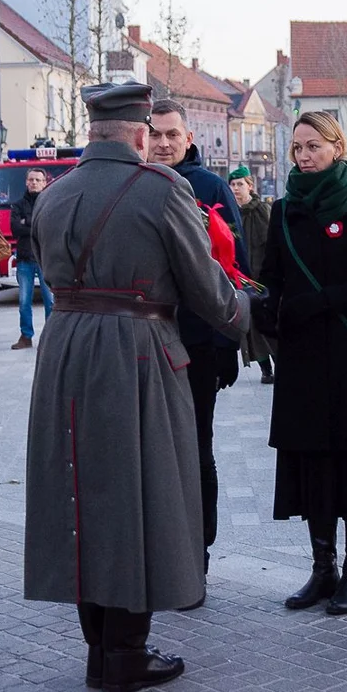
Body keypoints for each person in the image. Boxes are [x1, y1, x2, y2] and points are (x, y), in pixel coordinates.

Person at [23, 81, 252, 692]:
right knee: (135, 493)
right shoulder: (161, 190)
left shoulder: (54, 194)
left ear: (94, 130)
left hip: (65, 347)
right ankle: (125, 655)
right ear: (140, 133)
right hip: (137, 352)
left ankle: (101, 652)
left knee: (80, 491)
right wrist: (246, 315)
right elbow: (206, 288)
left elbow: (48, 271)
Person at [256, 111, 347, 615]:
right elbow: (269, 275)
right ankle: (322, 568)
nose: (305, 156)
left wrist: (322, 300)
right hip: (300, 355)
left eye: (314, 146)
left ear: (337, 147)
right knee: (311, 461)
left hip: (345, 347)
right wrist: (264, 305)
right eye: (297, 148)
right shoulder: (284, 209)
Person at [149, 98, 252, 584]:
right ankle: (157, 548)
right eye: (156, 134)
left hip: (197, 344)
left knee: (196, 448)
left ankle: (198, 553)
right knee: (151, 449)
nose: (164, 143)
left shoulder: (209, 187)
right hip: (145, 341)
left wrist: (229, 343)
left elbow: (234, 270)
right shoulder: (137, 184)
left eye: (173, 134)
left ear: (189, 138)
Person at [229, 164, 275, 383]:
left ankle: (280, 363)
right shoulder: (230, 212)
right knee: (251, 329)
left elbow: (272, 244)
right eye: (233, 185)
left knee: (270, 323)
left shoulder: (262, 211)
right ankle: (266, 369)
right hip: (241, 279)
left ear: (250, 186)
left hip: (263, 277)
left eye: (240, 184)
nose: (236, 189)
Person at [10, 168, 53, 350]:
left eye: (38, 180)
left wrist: (26, 222)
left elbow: (51, 228)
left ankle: (51, 337)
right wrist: (35, 223)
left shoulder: (51, 202)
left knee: (50, 301)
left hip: (46, 259)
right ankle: (26, 336)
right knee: (23, 301)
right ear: (26, 182)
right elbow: (15, 229)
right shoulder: (18, 205)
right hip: (25, 258)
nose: (34, 182)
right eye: (31, 179)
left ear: (45, 183)